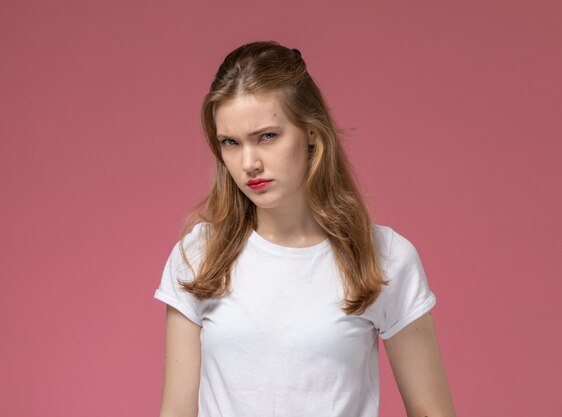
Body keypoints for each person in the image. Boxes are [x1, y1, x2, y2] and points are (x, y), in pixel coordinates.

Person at [153, 41, 456, 417]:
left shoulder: (385, 257)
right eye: (230, 143)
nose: (249, 163)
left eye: (267, 136)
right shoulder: (199, 255)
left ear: (311, 132)